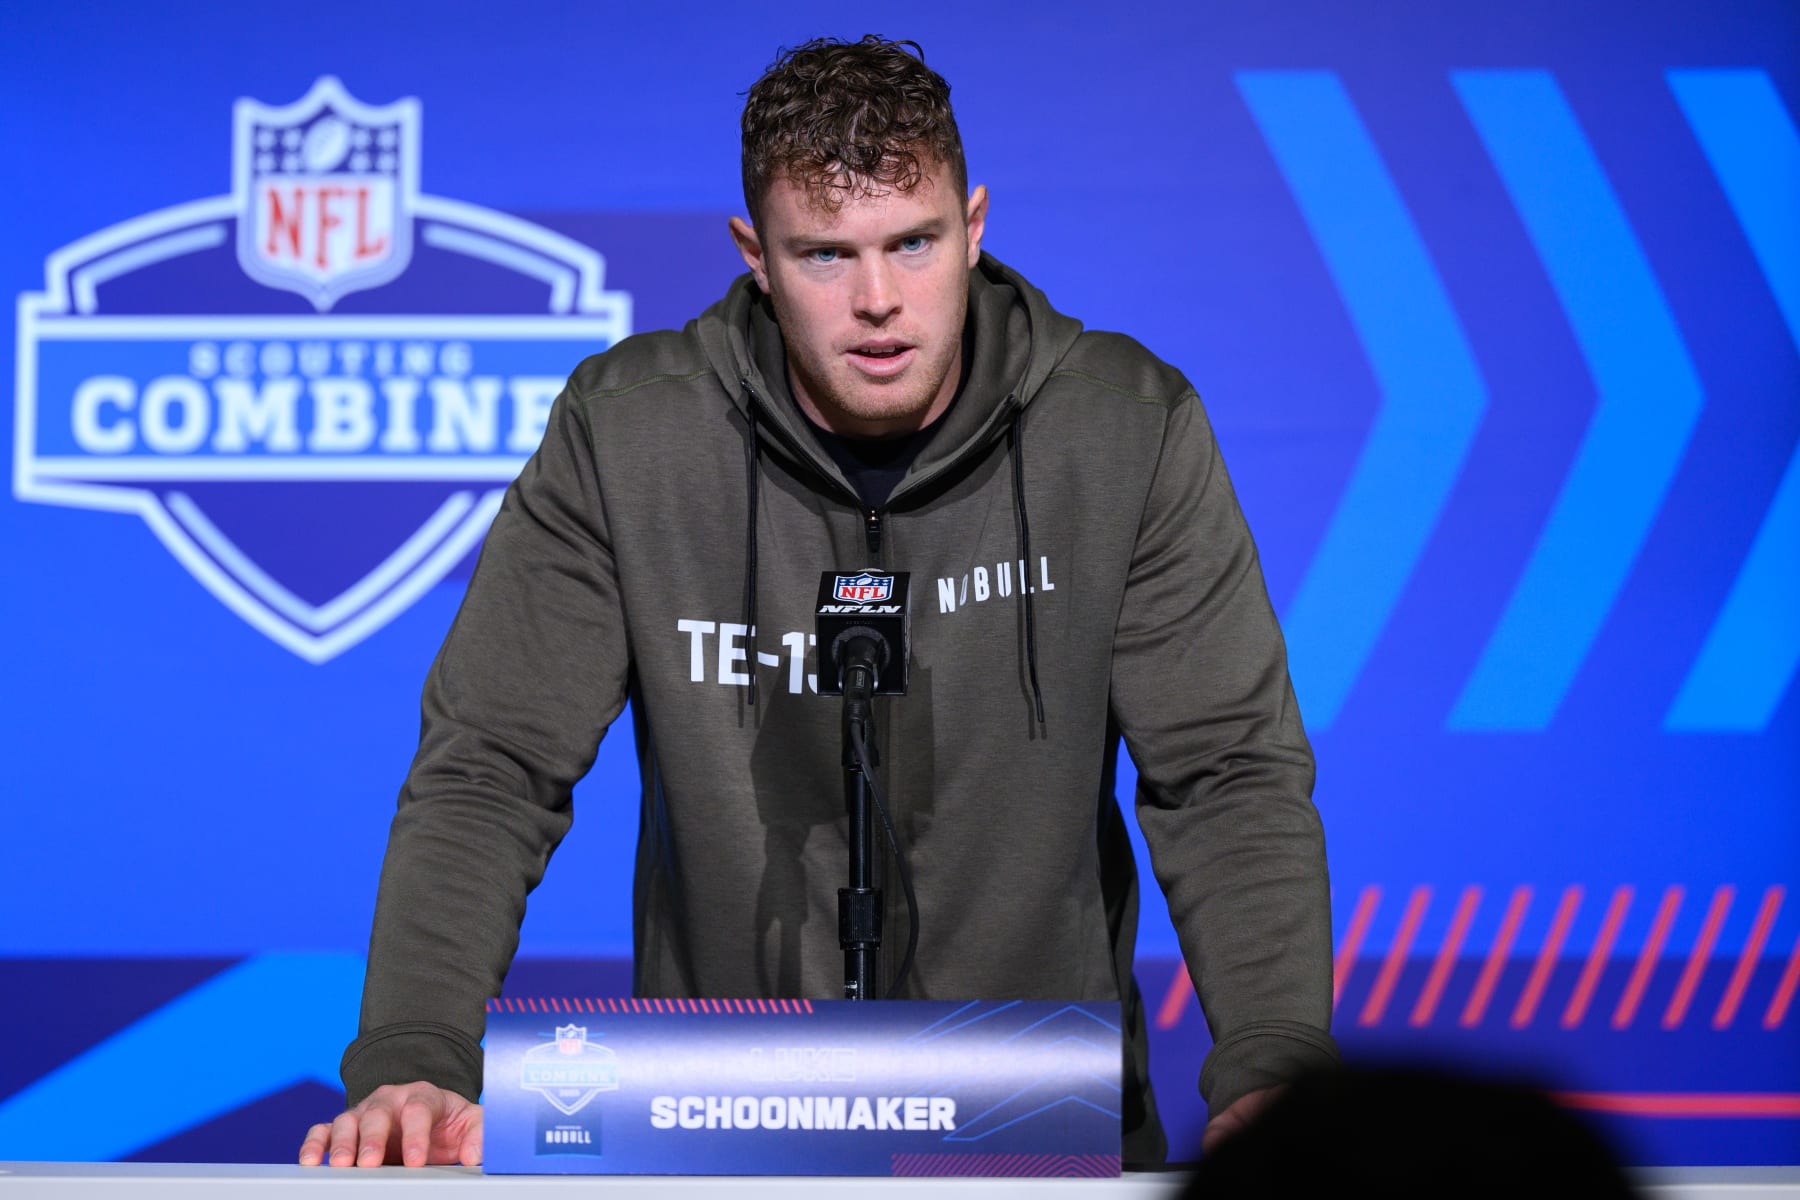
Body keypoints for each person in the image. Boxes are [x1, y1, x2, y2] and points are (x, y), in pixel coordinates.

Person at [299, 34, 1335, 1171]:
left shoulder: (1123, 427)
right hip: (718, 1125)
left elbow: (1226, 773)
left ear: (976, 226)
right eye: (826, 256)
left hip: (1042, 1123)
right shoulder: (632, 432)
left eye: (916, 243)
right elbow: (492, 763)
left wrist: (1276, 1067)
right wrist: (416, 1051)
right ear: (754, 254)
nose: (880, 301)